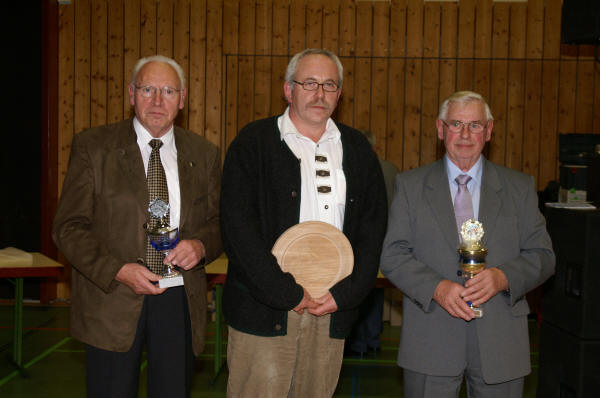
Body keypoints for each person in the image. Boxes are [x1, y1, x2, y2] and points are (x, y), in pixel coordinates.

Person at [220, 48, 388, 397]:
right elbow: (238, 230)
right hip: (265, 311)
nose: (320, 93)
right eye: (309, 83)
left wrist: (344, 296)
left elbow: (373, 233)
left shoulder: (357, 150)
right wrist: (288, 293)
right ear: (288, 89)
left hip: (330, 311)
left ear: (339, 94)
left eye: (329, 85)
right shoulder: (253, 143)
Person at [52, 55, 221, 398]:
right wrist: (117, 269)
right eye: (147, 89)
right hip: (113, 296)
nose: (157, 101)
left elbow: (219, 223)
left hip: (179, 297)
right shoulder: (94, 147)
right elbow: (68, 227)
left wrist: (201, 246)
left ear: (182, 99)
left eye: (168, 91)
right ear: (131, 94)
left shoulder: (204, 154)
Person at [380, 91, 555, 398]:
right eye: (456, 124)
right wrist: (438, 288)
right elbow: (393, 255)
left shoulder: (519, 187)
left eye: (474, 125)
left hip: (501, 341)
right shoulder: (410, 186)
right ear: (440, 129)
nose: (464, 134)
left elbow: (543, 256)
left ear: (489, 131)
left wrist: (503, 278)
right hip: (431, 337)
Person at [346, 130, 399, 356]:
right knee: (377, 291)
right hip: (386, 239)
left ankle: (357, 341)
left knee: (359, 288)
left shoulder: (353, 168)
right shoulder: (392, 170)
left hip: (359, 240)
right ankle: (373, 338)